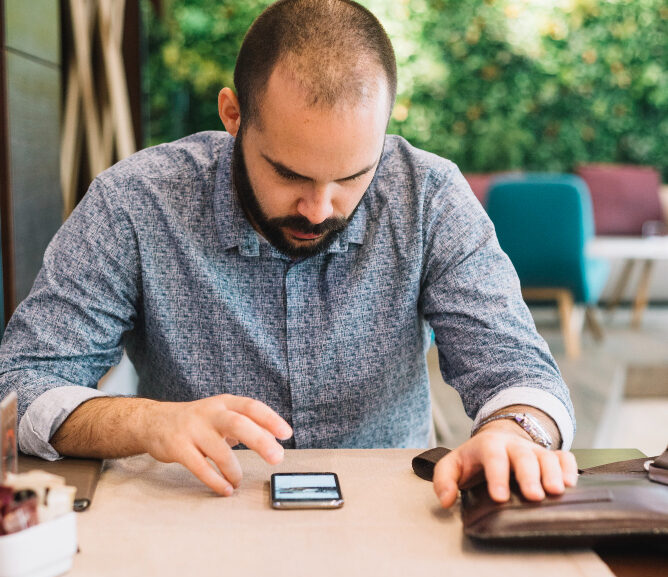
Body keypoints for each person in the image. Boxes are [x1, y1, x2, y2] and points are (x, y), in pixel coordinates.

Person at [0, 0, 578, 507]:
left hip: (391, 522)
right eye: (289, 173)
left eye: (353, 176)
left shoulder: (428, 196)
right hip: (197, 515)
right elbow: (20, 383)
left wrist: (515, 433)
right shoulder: (136, 201)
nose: (319, 209)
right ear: (233, 115)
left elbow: (522, 373)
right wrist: (147, 421)